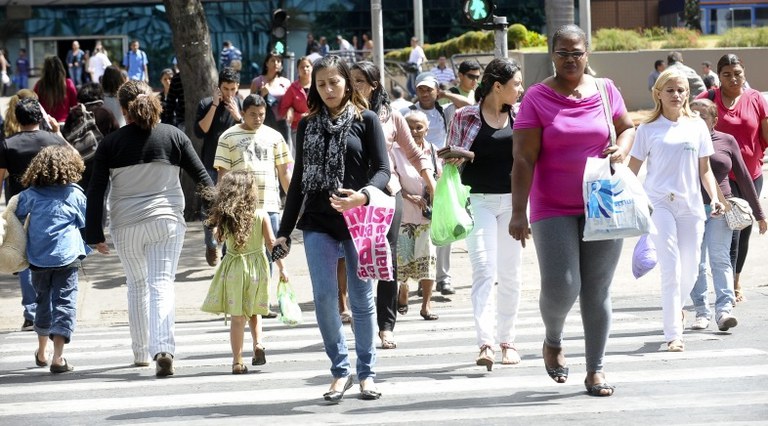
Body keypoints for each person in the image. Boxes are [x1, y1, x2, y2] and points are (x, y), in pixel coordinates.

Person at [511, 24, 635, 397]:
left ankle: (595, 370)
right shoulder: (536, 97)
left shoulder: (605, 89)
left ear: (587, 54)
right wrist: (519, 212)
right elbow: (523, 159)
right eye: (563, 53)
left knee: (596, 290)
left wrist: (624, 147)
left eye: (576, 52)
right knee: (563, 285)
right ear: (552, 54)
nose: (570, 59)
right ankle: (553, 339)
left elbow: (627, 127)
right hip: (552, 205)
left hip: (601, 200)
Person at [275, 55, 389, 402]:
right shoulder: (307, 125)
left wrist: (363, 196)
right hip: (318, 222)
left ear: (348, 83)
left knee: (361, 298)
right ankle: (340, 371)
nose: (328, 89)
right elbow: (297, 183)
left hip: (359, 220)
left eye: (334, 82)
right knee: (325, 300)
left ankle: (367, 373)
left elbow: (384, 170)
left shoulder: (367, 120)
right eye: (321, 84)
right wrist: (284, 230)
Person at [85, 80, 213, 376]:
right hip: (166, 222)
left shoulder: (110, 143)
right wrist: (219, 216)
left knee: (137, 285)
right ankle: (163, 348)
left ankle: (141, 353)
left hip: (126, 225)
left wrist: (94, 233)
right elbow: (204, 180)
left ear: (122, 108)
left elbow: (96, 190)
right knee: (162, 284)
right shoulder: (174, 136)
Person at [628, 68, 724, 352]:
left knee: (691, 268)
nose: (677, 95)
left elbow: (704, 170)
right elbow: (632, 171)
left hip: (691, 205)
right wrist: (632, 202)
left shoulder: (696, 127)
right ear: (658, 93)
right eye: (670, 90)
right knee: (670, 267)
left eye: (681, 90)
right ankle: (673, 333)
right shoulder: (646, 129)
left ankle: (676, 310)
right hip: (659, 205)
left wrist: (715, 197)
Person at [444, 58, 526, 370]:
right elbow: (449, 159)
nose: (519, 89)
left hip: (514, 204)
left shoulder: (521, 116)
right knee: (484, 270)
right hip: (478, 201)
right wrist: (459, 156)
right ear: (497, 86)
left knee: (510, 274)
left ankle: (508, 340)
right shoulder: (465, 116)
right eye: (515, 84)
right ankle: (486, 343)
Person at [350, 61, 436, 349]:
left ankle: (386, 326)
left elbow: (414, 153)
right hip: (352, 196)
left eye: (360, 81)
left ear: (374, 85)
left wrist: (430, 182)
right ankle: (360, 316)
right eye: (351, 80)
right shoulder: (341, 114)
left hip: (388, 193)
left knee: (387, 259)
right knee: (357, 258)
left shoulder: (392, 117)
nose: (354, 86)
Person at [688, 98, 766, 332]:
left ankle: (724, 311)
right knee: (696, 263)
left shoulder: (726, 140)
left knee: (720, 258)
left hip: (719, 208)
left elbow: (744, 176)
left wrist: (759, 213)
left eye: (702, 116)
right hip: (689, 210)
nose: (697, 120)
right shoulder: (682, 141)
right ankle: (701, 311)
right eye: (692, 115)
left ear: (714, 119)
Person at [696, 54, 768, 303]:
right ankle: (726, 285)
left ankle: (735, 279)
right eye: (727, 74)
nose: (733, 78)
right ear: (719, 77)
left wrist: (758, 155)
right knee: (729, 230)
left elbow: (765, 132)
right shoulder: (708, 99)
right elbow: (688, 119)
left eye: (737, 73)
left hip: (751, 174)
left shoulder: (755, 98)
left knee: (743, 228)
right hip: (719, 177)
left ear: (744, 73)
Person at [201, 171, 288, 374]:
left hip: (234, 269)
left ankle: (237, 361)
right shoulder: (261, 215)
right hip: (257, 268)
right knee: (254, 310)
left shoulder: (226, 217)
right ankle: (258, 344)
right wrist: (283, 268)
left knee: (238, 317)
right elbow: (271, 244)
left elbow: (218, 239)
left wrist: (216, 230)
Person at [17, 145, 88, 374]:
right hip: (67, 257)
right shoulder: (75, 194)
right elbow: (85, 222)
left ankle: (41, 351)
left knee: (42, 301)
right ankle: (58, 357)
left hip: (38, 259)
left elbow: (15, 219)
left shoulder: (29, 195)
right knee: (65, 302)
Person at [1, 98, 68, 332]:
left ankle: (31, 311)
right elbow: (74, 165)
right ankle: (47, 308)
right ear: (40, 118)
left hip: (20, 206)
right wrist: (58, 132)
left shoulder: (7, 144)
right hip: (50, 207)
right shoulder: (53, 141)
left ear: (17, 119)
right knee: (49, 256)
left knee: (22, 258)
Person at [214, 93, 293, 257]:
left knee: (270, 255)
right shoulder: (227, 137)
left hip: (269, 206)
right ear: (242, 114)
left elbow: (284, 173)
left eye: (262, 114)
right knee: (236, 255)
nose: (258, 118)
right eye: (253, 114)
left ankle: (266, 283)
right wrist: (220, 212)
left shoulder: (275, 137)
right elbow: (223, 177)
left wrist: (295, 205)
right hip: (239, 207)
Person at [400, 73, 455, 297]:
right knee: (410, 235)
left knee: (441, 231)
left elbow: (470, 104)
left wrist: (445, 94)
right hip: (410, 175)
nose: (425, 93)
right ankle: (414, 283)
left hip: (438, 171)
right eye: (421, 89)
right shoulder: (406, 112)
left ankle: (442, 278)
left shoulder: (446, 110)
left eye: (429, 89)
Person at [195, 67, 244, 267]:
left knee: (232, 209)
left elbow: (248, 131)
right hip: (210, 163)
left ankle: (226, 252)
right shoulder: (206, 104)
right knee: (209, 208)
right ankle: (211, 243)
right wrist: (215, 105)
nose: (229, 93)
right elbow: (201, 131)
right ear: (219, 88)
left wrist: (238, 116)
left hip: (234, 166)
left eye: (233, 89)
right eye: (226, 89)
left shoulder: (240, 105)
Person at [396, 110, 440, 322]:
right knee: (403, 261)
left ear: (427, 129)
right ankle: (403, 289)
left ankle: (426, 305)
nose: (414, 131)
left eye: (418, 127)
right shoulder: (394, 151)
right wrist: (410, 196)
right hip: (404, 215)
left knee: (428, 260)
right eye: (410, 127)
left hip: (427, 217)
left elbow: (440, 179)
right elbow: (391, 181)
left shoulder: (433, 152)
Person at [62, 82, 120, 190]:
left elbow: (66, 136)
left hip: (79, 163)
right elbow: (116, 137)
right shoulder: (105, 112)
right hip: (101, 163)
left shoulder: (74, 113)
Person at [250, 52, 292, 150]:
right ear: (266, 63)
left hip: (282, 122)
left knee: (282, 151)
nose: (276, 63)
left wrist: (291, 109)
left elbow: (291, 102)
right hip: (264, 123)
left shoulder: (285, 82)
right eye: (272, 60)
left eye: (278, 61)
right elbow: (250, 103)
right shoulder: (257, 81)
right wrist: (261, 94)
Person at [278, 56, 313, 155]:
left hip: (317, 127)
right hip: (298, 129)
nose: (305, 69)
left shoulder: (318, 86)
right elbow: (282, 111)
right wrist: (299, 116)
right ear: (298, 69)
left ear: (312, 67)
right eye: (302, 67)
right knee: (301, 157)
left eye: (307, 66)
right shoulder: (292, 88)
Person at [34, 56, 78, 123]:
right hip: (65, 124)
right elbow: (75, 106)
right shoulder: (68, 83)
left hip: (46, 125)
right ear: (61, 68)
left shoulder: (39, 85)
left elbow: (35, 105)